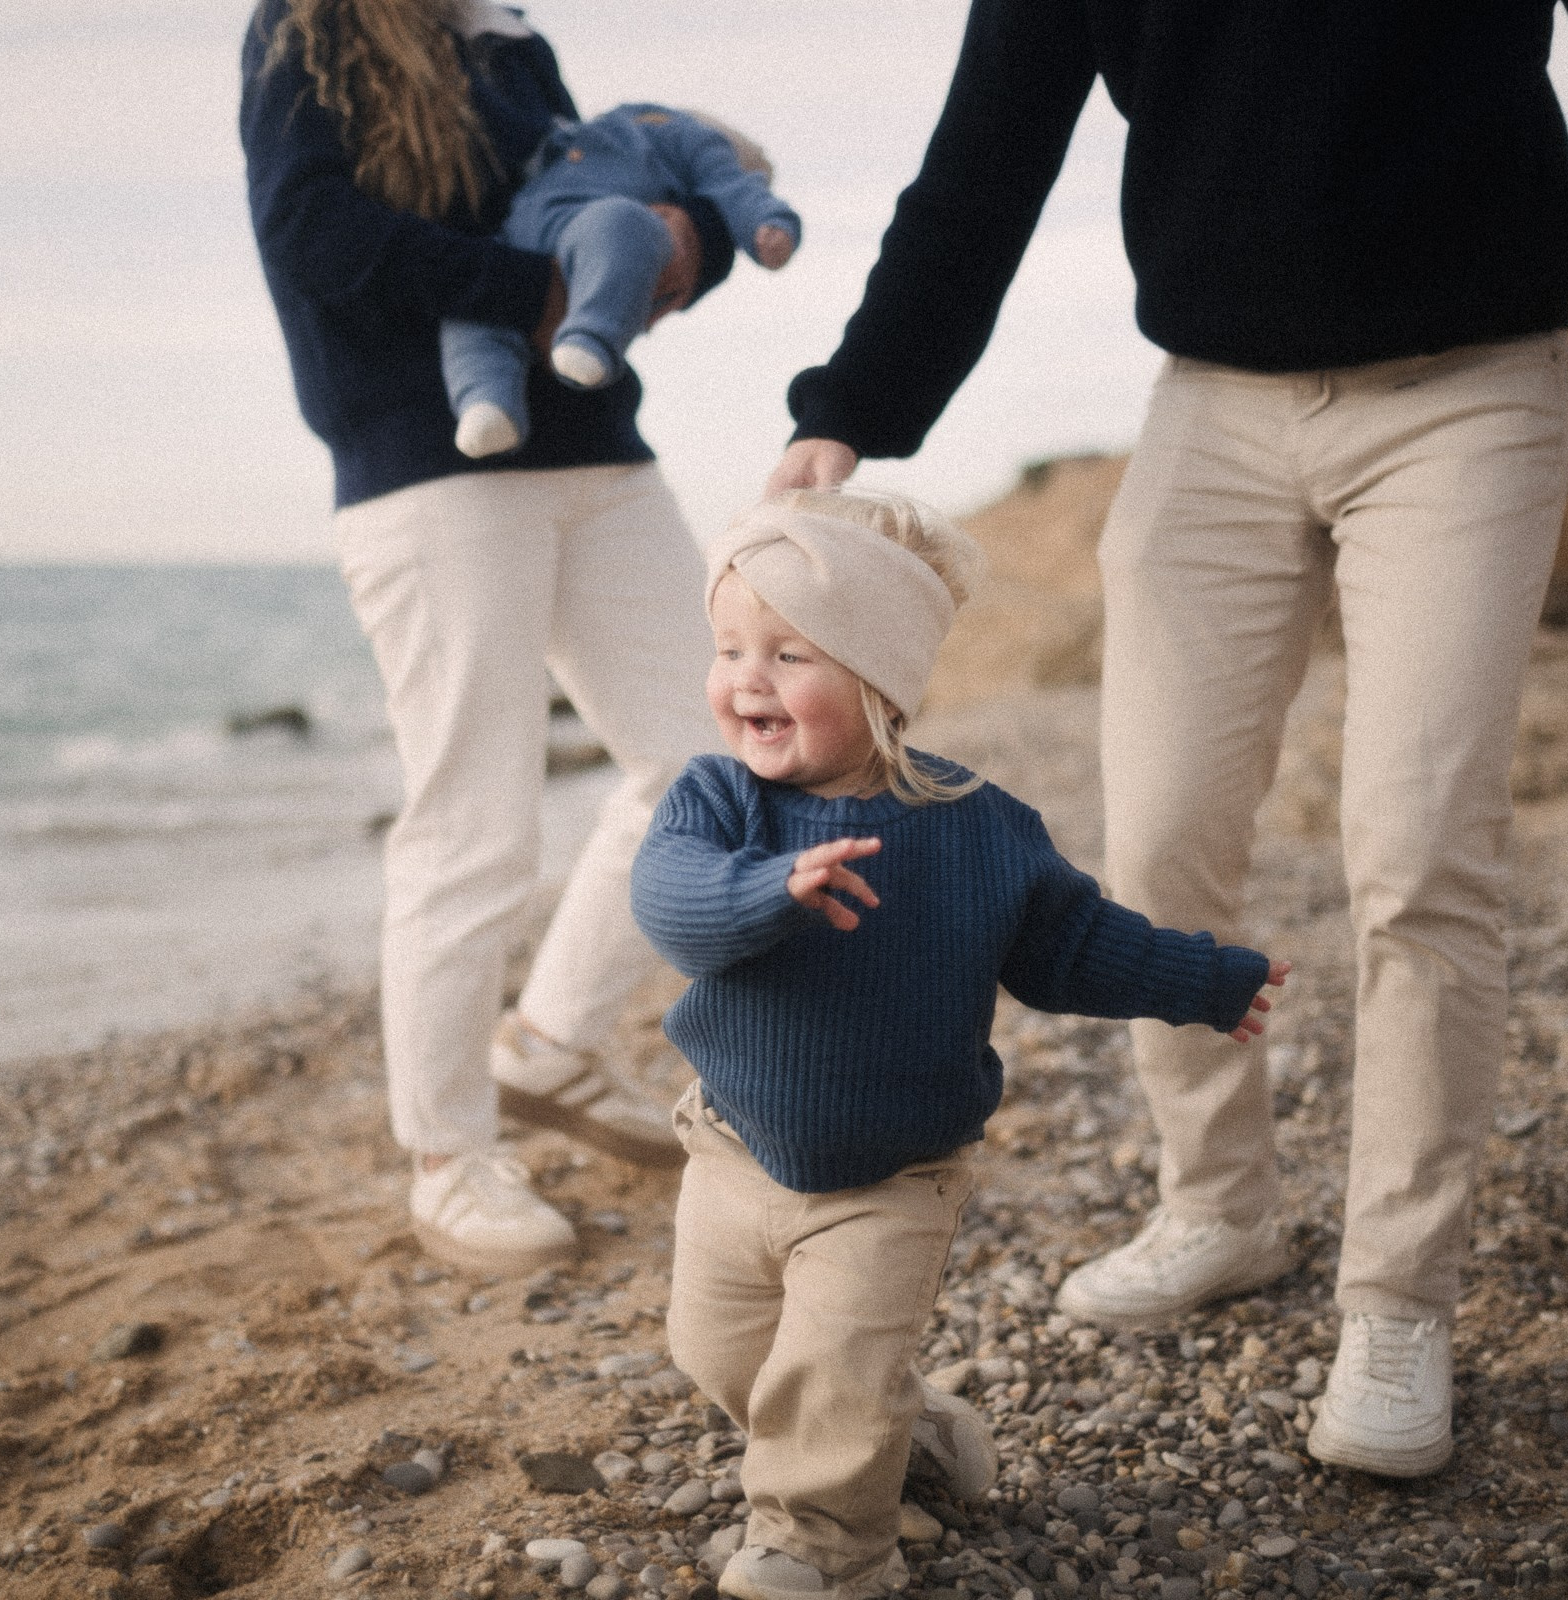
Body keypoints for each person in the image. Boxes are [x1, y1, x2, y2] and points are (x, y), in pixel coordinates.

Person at [766, 0, 1568, 1479]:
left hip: (1468, 395)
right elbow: (985, 158)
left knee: (1420, 853)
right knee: (1158, 843)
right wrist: (852, 409)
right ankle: (1219, 1206)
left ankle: (1397, 1303)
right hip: (1212, 413)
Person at [633, 489, 1288, 1600]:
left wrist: (1202, 978)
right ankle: (915, 1424)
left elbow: (1072, 945)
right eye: (731, 646)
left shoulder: (976, 826)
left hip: (891, 1183)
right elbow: (672, 902)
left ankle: (828, 1547)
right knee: (719, 1352)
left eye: (789, 652)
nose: (747, 676)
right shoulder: (718, 804)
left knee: (832, 1374)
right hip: (733, 1149)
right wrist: (772, 890)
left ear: (880, 679)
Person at [241, 0, 723, 1277]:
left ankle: (551, 1042)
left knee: (713, 762)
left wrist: (694, 241)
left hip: (599, 456)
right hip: (425, 467)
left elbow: (586, 184)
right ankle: (448, 1157)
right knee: (475, 823)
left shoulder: (507, 36)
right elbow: (311, 230)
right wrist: (535, 289)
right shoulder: (310, 28)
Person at [444, 103, 801, 458]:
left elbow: (736, 193)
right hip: (513, 241)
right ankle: (485, 403)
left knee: (624, 225)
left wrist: (761, 224)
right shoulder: (690, 138)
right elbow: (736, 188)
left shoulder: (582, 119)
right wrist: (766, 219)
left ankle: (587, 341)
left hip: (578, 228)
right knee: (468, 308)